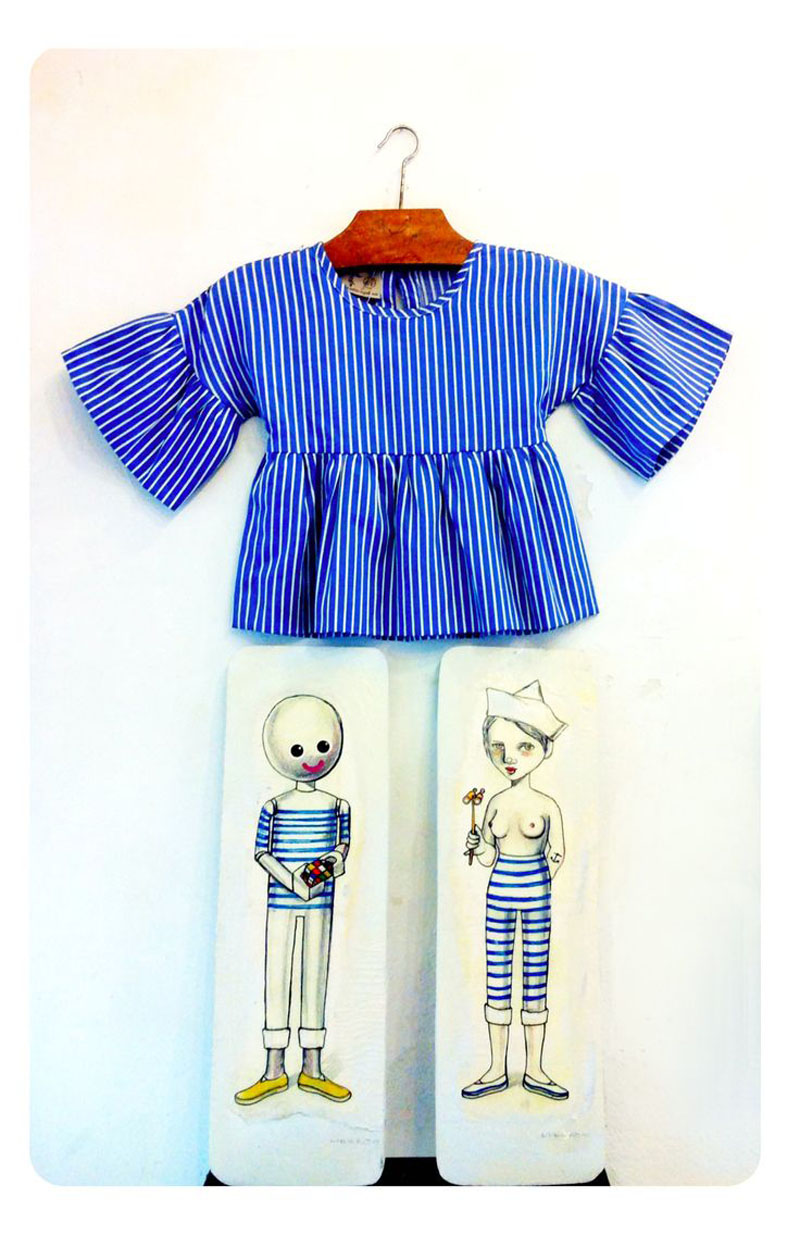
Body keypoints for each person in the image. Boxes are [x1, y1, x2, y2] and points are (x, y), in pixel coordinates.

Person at [234, 694, 351, 1105]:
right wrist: (291, 880)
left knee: (315, 977)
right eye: (299, 750)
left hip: (320, 903)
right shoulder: (274, 806)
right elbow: (261, 852)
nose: (313, 758)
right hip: (281, 904)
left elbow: (342, 848)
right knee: (277, 976)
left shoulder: (338, 805)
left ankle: (312, 1069)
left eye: (321, 747)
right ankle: (273, 1070)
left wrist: (320, 870)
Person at [462, 681, 569, 1101]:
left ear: (543, 749)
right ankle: (496, 1068)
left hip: (536, 895)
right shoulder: (492, 804)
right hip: (499, 895)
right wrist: (479, 847)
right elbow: (489, 856)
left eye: (523, 747)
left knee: (536, 978)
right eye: (498, 748)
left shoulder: (547, 805)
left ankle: (535, 1069)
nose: (509, 759)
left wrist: (544, 876)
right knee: (497, 978)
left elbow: (557, 852)